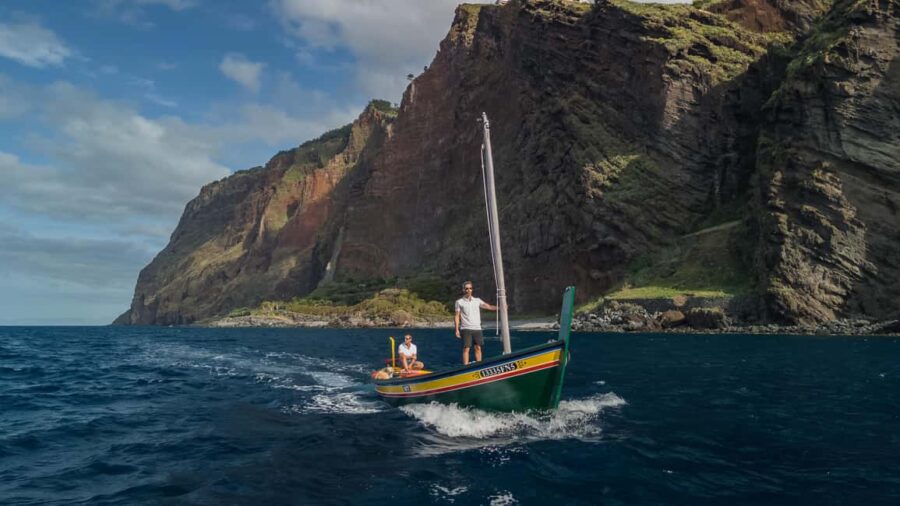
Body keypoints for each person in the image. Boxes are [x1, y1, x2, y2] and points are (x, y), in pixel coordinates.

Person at [454, 281, 499, 365]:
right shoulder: (459, 302)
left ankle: (479, 365)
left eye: (470, 288)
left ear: (472, 289)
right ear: (463, 289)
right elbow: (457, 316)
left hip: (477, 328)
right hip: (466, 328)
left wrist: (500, 307)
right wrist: (456, 330)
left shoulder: (477, 300)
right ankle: (466, 366)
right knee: (466, 348)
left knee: (478, 347)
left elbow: (488, 306)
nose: (468, 290)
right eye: (466, 288)